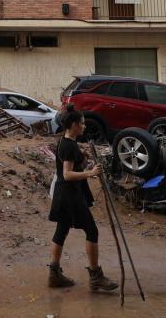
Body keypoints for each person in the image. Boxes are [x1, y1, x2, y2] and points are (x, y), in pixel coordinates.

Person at [46, 105, 118, 292]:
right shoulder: (69, 145)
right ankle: (96, 276)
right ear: (74, 125)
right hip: (70, 196)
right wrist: (90, 173)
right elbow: (68, 174)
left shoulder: (66, 141)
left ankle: (54, 274)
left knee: (61, 230)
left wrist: (82, 158)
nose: (85, 126)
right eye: (83, 123)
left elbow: (70, 166)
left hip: (63, 195)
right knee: (92, 232)